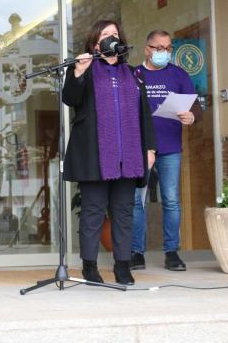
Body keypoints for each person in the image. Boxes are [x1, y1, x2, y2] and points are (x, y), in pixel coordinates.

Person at [63, 20, 156, 285]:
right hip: (95, 156)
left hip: (128, 156)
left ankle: (122, 265)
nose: (112, 37)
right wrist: (79, 71)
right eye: (105, 34)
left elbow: (145, 115)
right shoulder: (85, 69)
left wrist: (149, 148)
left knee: (124, 211)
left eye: (115, 34)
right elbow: (70, 99)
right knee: (92, 211)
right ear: (95, 44)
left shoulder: (133, 74)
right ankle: (90, 267)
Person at [130, 30, 196, 272]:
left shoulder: (178, 74)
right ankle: (136, 252)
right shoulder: (134, 74)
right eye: (159, 48)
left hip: (170, 147)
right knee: (137, 201)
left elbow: (193, 108)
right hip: (140, 148)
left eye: (168, 48)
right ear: (147, 49)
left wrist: (191, 116)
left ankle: (172, 252)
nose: (164, 53)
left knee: (171, 200)